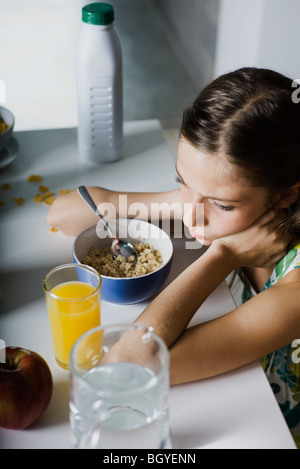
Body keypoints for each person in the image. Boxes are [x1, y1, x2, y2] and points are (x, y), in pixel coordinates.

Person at [47, 67, 300, 447]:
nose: (193, 215)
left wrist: (224, 255)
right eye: (181, 180)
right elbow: (63, 214)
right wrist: (184, 198)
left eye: (219, 204)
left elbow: (129, 366)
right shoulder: (213, 202)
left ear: (284, 196)